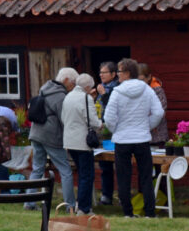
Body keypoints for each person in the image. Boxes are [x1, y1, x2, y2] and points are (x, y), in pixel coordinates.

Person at [105, 58, 164, 218]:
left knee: (123, 177)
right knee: (146, 177)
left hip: (122, 140)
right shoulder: (147, 90)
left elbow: (109, 118)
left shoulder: (117, 92)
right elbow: (158, 112)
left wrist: (116, 130)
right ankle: (150, 213)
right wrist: (146, 126)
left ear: (127, 73)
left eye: (119, 71)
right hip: (142, 139)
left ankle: (128, 213)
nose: (117, 75)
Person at [25, 67, 77, 211]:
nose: (72, 87)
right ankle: (69, 206)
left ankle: (29, 202)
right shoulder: (60, 96)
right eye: (72, 83)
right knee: (65, 170)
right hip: (50, 136)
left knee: (37, 169)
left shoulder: (45, 88)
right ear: (66, 80)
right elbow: (64, 119)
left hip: (36, 133)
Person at [62, 73, 103, 214]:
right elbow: (93, 121)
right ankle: (84, 208)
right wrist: (100, 124)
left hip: (69, 141)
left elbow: (63, 118)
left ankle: (81, 205)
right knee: (87, 175)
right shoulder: (86, 98)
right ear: (87, 87)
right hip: (82, 142)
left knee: (81, 173)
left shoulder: (68, 96)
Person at [95, 61, 119, 206]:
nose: (101, 75)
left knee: (120, 165)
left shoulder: (117, 88)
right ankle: (106, 195)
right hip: (103, 130)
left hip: (115, 130)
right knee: (105, 164)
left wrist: (104, 94)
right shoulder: (101, 88)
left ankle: (122, 196)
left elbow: (113, 107)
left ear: (113, 74)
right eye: (100, 72)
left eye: (104, 72)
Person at [138, 63, 169, 147]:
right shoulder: (136, 90)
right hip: (140, 136)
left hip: (157, 136)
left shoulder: (157, 90)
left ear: (148, 77)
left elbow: (160, 112)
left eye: (142, 80)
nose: (139, 83)